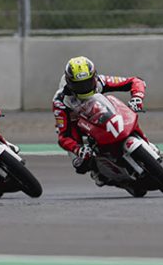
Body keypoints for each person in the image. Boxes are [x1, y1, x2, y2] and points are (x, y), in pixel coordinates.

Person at [52, 56, 151, 185]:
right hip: (78, 125)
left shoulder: (100, 81)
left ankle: (145, 143)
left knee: (124, 113)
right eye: (79, 85)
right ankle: (97, 171)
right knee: (80, 163)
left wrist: (137, 98)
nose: (84, 88)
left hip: (100, 112)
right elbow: (63, 136)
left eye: (87, 82)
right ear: (69, 83)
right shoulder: (60, 101)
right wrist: (78, 149)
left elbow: (135, 81)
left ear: (94, 76)